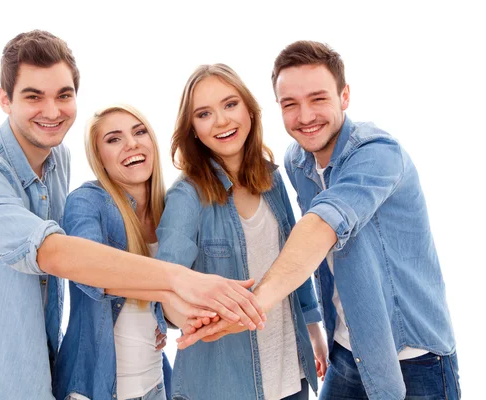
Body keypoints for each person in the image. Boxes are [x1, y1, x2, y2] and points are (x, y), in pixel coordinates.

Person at [0, 30, 265, 400]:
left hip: (43, 371)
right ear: (4, 99)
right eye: (33, 96)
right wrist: (179, 280)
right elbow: (51, 253)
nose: (53, 110)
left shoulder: (57, 160)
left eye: (64, 95)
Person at [180, 41, 461, 399]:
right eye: (290, 104)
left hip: (414, 358)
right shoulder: (297, 160)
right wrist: (316, 327)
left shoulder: (378, 154)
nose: (305, 116)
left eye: (318, 99)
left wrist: (251, 306)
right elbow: (308, 257)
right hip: (347, 349)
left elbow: (319, 227)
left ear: (344, 96)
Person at [155, 63, 326, 400]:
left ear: (249, 109)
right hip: (223, 385)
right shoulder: (186, 197)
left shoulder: (271, 178)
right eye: (204, 114)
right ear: (192, 129)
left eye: (230, 104)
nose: (221, 120)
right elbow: (166, 285)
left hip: (291, 376)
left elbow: (294, 258)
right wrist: (185, 317)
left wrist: (313, 326)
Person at [53, 105, 194, 400]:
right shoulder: (87, 201)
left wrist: (165, 315)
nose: (132, 143)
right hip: (95, 389)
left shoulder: (168, 211)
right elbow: (89, 274)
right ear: (99, 159)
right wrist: (164, 291)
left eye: (139, 131)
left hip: (156, 384)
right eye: (114, 139)